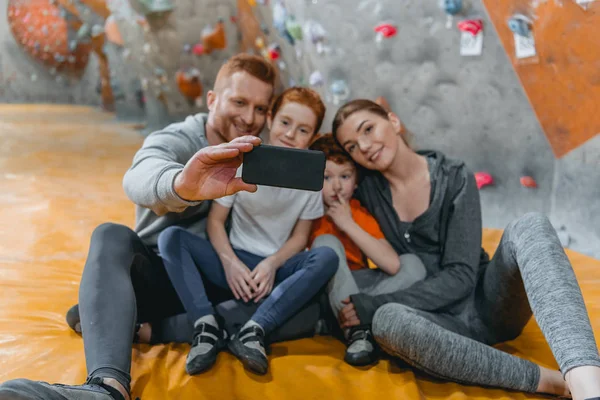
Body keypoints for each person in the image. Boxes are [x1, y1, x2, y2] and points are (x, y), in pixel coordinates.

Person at [0, 53, 277, 400]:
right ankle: (107, 387)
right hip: (161, 275)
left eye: (261, 108)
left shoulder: (268, 157)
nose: (249, 118)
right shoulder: (180, 139)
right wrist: (180, 185)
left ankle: (132, 324)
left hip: (223, 282)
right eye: (239, 102)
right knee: (110, 236)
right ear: (212, 99)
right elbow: (140, 176)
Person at [330, 98, 600, 400]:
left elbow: (460, 277)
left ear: (393, 122)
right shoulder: (365, 189)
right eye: (351, 146)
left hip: (488, 306)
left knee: (530, 225)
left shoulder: (454, 177)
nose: (364, 146)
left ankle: (588, 384)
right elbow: (318, 174)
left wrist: (374, 302)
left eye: (368, 129)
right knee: (387, 320)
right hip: (434, 324)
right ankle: (552, 383)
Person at [157, 87, 338, 376]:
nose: (290, 134)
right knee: (171, 238)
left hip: (275, 270)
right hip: (234, 263)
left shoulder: (309, 181)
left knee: (326, 257)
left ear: (313, 136)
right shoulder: (243, 163)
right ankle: (206, 326)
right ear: (270, 120)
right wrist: (231, 264)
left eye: (303, 129)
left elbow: (300, 238)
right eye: (285, 122)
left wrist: (271, 264)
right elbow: (215, 223)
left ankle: (255, 330)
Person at [307, 133, 426, 366]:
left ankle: (354, 320)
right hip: (322, 290)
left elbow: (392, 265)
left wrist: (348, 224)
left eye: (345, 176)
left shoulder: (357, 211)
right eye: (326, 177)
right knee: (327, 245)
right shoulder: (308, 209)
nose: (337, 186)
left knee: (413, 264)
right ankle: (361, 330)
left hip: (360, 288)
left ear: (356, 180)